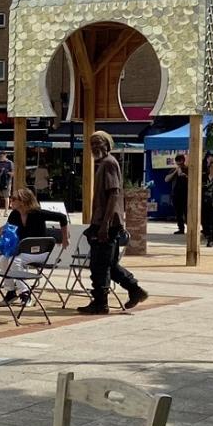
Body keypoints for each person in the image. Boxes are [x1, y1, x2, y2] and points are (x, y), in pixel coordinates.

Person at [78, 131, 146, 315]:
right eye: (92, 143)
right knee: (108, 264)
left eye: (98, 143)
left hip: (107, 223)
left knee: (99, 265)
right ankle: (134, 289)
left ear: (107, 144)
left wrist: (104, 225)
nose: (95, 147)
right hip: (104, 221)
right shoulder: (104, 164)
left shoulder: (109, 163)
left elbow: (114, 194)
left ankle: (101, 303)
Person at [0, 188, 68, 300]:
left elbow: (62, 217)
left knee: (15, 261)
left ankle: (25, 292)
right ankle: (10, 291)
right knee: (3, 259)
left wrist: (65, 238)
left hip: (40, 251)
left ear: (23, 201)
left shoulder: (38, 213)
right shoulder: (14, 214)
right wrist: (2, 231)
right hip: (22, 251)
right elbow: (8, 230)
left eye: (14, 199)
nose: (11, 201)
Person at [165, 153, 189, 235]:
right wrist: (175, 171)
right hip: (176, 194)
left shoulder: (187, 169)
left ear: (183, 161)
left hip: (186, 194)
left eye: (180, 161)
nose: (179, 163)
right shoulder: (174, 170)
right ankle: (181, 228)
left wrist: (184, 175)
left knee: (187, 212)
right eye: (177, 161)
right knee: (178, 213)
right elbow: (166, 179)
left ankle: (190, 228)